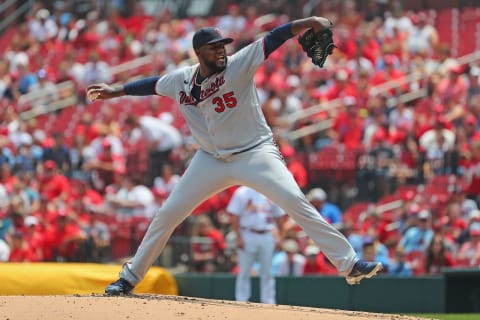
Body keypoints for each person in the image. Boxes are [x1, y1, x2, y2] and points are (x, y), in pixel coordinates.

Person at [86, 16, 382, 295]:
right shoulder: (181, 80)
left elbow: (274, 37)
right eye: (214, 47)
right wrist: (117, 91)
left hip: (255, 153)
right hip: (210, 159)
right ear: (199, 52)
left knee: (295, 202)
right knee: (167, 215)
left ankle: (349, 264)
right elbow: (152, 84)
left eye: (222, 46)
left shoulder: (239, 64)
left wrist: (310, 22)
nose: (221, 51)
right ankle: (128, 279)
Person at [227, 186, 288, 304]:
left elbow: (280, 217)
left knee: (268, 272)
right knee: (244, 271)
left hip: (267, 234)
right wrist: (239, 237)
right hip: (247, 233)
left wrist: (281, 237)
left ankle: (268, 302)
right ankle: (241, 301)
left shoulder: (271, 191)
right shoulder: (242, 192)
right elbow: (234, 216)